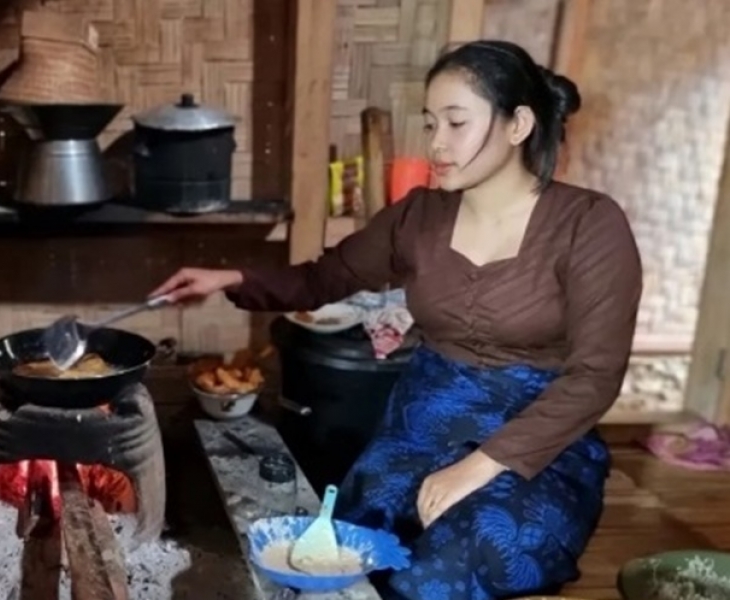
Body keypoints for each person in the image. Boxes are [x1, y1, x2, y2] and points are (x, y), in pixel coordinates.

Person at [151, 40, 643, 600]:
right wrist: (230, 279)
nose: (436, 143)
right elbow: (323, 280)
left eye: (457, 123)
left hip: (540, 438)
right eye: (431, 123)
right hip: (423, 423)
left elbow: (596, 376)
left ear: (518, 125)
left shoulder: (589, 225)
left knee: (450, 562)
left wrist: (481, 466)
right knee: (348, 553)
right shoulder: (418, 216)